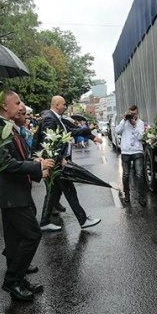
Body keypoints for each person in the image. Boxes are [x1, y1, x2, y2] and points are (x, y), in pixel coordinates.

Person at [0, 91, 54, 301]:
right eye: (17, 102)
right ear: (3, 105)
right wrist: (37, 166)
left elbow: (21, 157)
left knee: (14, 241)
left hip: (19, 192)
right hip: (12, 195)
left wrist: (37, 168)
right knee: (32, 235)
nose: (22, 107)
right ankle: (11, 281)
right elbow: (6, 164)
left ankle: (18, 280)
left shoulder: (11, 127)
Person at [38, 95, 103, 232]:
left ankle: (44, 222)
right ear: (57, 105)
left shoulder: (58, 119)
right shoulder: (50, 119)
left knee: (53, 192)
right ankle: (83, 220)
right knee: (69, 191)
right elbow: (49, 142)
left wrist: (90, 134)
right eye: (64, 104)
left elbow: (72, 131)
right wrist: (60, 158)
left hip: (60, 162)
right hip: (59, 163)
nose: (65, 106)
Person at [115, 105, 147, 206]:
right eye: (131, 114)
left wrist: (134, 126)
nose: (133, 116)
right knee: (126, 175)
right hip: (126, 152)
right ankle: (127, 195)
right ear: (128, 112)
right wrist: (124, 120)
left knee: (139, 175)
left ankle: (141, 197)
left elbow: (141, 137)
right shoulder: (124, 122)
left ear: (137, 113)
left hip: (137, 151)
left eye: (135, 114)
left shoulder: (140, 123)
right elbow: (117, 131)